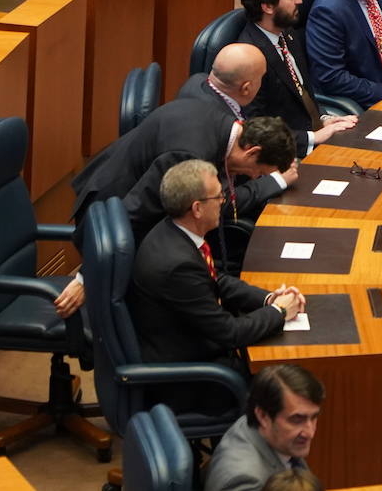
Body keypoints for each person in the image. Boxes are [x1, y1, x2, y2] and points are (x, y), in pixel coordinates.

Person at [127, 161, 304, 416]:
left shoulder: (174, 232)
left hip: (193, 349)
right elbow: (229, 333)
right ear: (197, 208)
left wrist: (267, 298)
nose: (224, 200)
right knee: (286, 381)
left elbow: (215, 279)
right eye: (218, 195)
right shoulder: (177, 266)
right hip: (191, 381)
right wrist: (279, 312)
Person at [70, 96, 296, 247]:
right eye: (259, 172)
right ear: (252, 152)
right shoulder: (188, 155)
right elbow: (136, 210)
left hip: (120, 191)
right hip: (108, 215)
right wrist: (90, 272)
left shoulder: (217, 118)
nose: (255, 177)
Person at [236, 0, 358, 156]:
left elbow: (302, 91)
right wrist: (313, 138)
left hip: (314, 130)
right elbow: (255, 131)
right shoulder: (250, 59)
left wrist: (324, 119)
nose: (300, 0)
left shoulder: (287, 33)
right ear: (268, 6)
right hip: (287, 154)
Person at [204, 364, 323, 491]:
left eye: (314, 417)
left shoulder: (261, 429)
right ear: (262, 415)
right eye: (296, 420)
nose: (309, 432)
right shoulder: (245, 482)